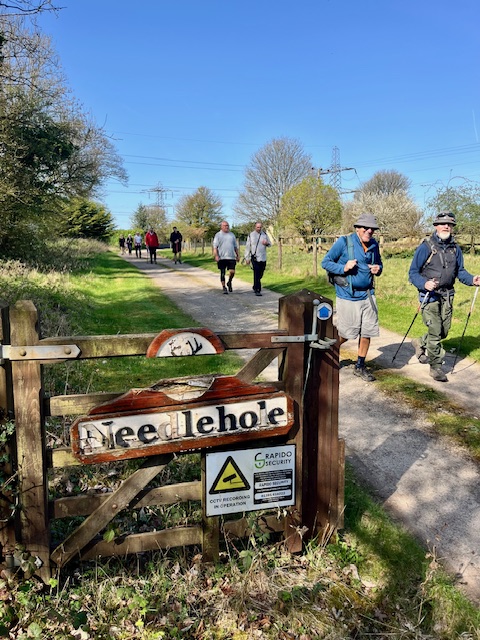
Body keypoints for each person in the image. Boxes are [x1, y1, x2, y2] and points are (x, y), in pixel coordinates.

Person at [408, 212, 480, 382]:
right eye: (443, 223)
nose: (446, 226)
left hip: (448, 295)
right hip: (429, 296)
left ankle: (419, 342)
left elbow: (460, 272)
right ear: (436, 226)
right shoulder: (426, 247)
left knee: (443, 331)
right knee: (435, 331)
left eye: (449, 224)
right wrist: (424, 284)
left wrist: (472, 279)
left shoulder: (455, 248)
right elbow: (413, 273)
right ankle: (436, 367)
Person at [321, 212, 383, 382]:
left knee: (367, 331)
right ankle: (327, 357)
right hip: (348, 296)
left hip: (368, 295)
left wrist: (378, 269)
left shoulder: (374, 245)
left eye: (372, 229)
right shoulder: (344, 242)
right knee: (347, 333)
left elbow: (380, 264)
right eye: (365, 228)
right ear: (357, 228)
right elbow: (325, 262)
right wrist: (343, 268)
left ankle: (360, 366)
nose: (369, 231)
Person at [244, 221, 271, 296]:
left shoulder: (264, 234)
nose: (259, 229)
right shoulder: (251, 235)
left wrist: (267, 243)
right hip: (254, 257)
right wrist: (247, 258)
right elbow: (247, 247)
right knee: (256, 272)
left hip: (263, 257)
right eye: (257, 227)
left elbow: (270, 244)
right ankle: (257, 289)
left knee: (261, 273)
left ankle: (255, 285)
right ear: (255, 227)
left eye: (260, 227)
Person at [213, 220, 239, 294]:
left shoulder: (232, 235)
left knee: (232, 272)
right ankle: (224, 287)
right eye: (225, 226)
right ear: (221, 227)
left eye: (227, 225)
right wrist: (216, 255)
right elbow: (215, 247)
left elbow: (235, 246)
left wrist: (237, 255)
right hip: (222, 257)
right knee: (222, 272)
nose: (226, 227)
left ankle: (229, 282)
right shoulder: (218, 235)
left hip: (231, 257)